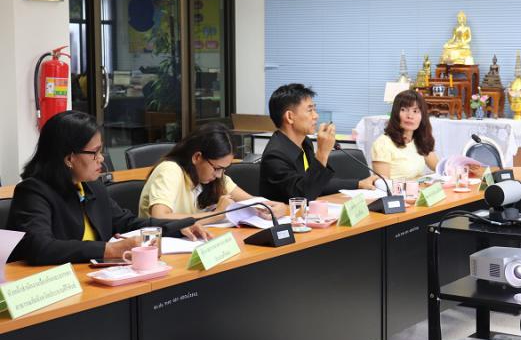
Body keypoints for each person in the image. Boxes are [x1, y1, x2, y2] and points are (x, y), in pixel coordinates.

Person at [8, 111, 210, 266]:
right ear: (69, 158)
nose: (101, 159)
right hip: (53, 287)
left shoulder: (91, 186)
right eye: (95, 153)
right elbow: (40, 247)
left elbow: (126, 222)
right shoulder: (33, 192)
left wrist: (177, 226)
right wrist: (109, 249)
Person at [139, 123, 287, 222]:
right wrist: (216, 214)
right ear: (197, 157)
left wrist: (276, 207)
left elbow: (252, 201)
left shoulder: (214, 177)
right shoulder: (170, 170)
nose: (219, 175)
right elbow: (159, 217)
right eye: (216, 168)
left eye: (224, 169)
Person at [259, 84, 378, 202]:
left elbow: (317, 183)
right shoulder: (275, 156)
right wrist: (322, 153)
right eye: (310, 110)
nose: (316, 116)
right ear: (290, 117)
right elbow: (302, 196)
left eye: (314, 110)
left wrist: (359, 183)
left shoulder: (305, 143)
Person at [372, 90, 438, 180]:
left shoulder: (419, 140)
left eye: (415, 111)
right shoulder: (382, 144)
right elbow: (383, 185)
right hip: (397, 189)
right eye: (403, 110)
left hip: (418, 188)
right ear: (395, 113)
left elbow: (438, 167)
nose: (410, 116)